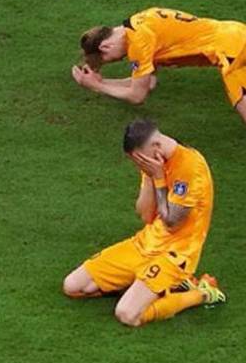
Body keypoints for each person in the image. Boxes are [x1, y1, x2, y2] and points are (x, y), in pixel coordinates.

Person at [62, 118, 224, 326]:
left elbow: (172, 222)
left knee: (128, 314)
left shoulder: (190, 167)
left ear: (155, 146)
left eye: (139, 160)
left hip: (175, 255)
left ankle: (202, 293)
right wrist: (149, 177)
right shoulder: (152, 163)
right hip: (145, 244)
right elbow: (146, 215)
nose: (139, 164)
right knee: (73, 286)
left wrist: (159, 178)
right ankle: (151, 285)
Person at [72, 7, 246, 135]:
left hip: (231, 51)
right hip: (240, 33)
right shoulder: (139, 21)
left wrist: (97, 87)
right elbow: (148, 82)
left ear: (105, 47)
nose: (119, 59)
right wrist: (101, 82)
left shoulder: (139, 43)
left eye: (107, 59)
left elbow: (137, 95)